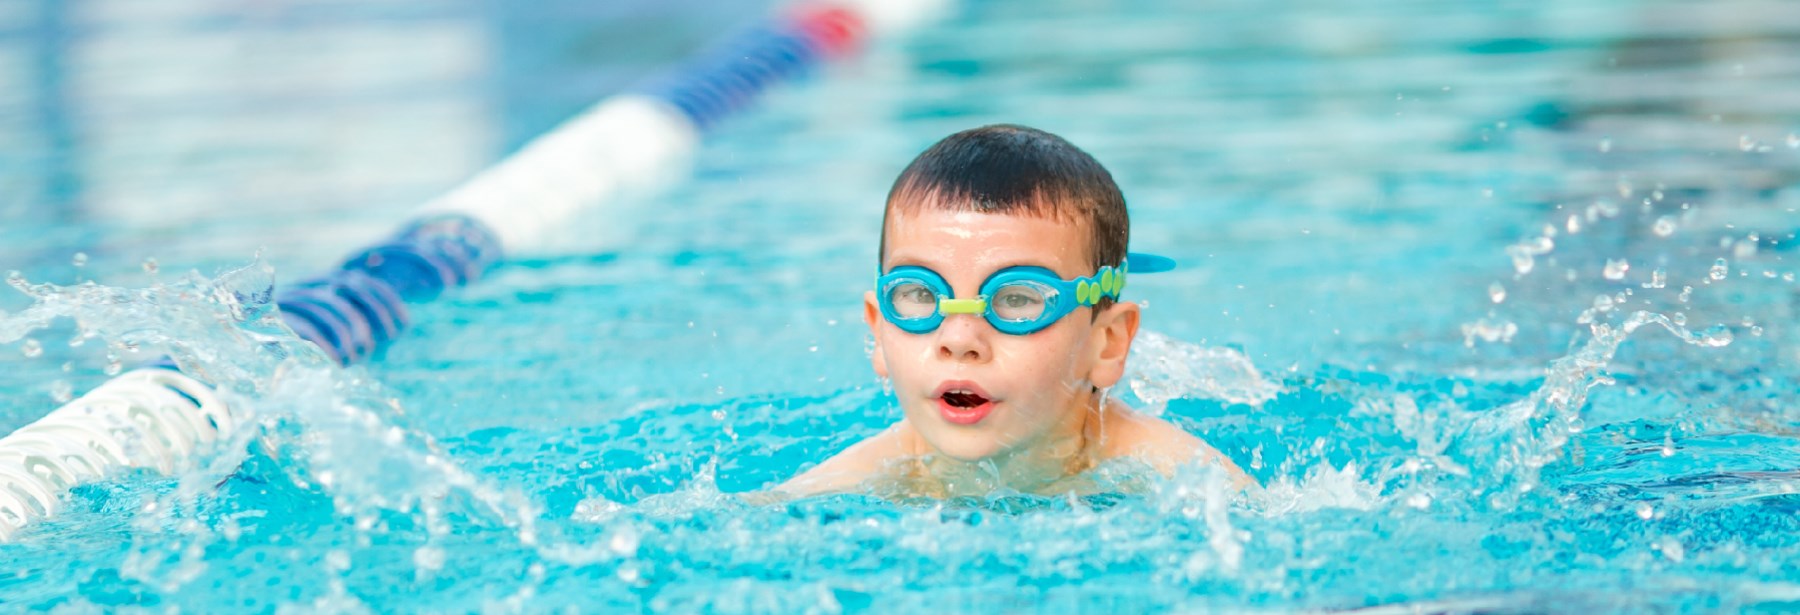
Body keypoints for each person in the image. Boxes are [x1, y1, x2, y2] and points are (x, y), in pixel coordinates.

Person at [777, 124, 1250, 498]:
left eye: (1017, 299)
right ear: (878, 331)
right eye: (920, 295)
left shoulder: (1182, 477)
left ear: (1107, 344)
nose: (959, 339)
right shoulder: (838, 487)